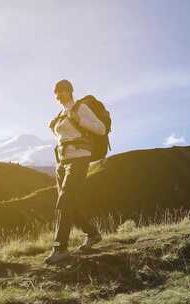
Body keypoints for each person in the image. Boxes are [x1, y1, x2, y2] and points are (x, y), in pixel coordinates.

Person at [44, 79, 106, 265]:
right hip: (62, 163)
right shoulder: (60, 114)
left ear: (70, 91)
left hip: (79, 159)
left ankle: (59, 248)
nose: (58, 96)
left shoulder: (80, 108)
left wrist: (79, 120)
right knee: (70, 204)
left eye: (61, 91)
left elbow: (101, 129)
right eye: (56, 93)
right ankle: (93, 234)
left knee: (64, 202)